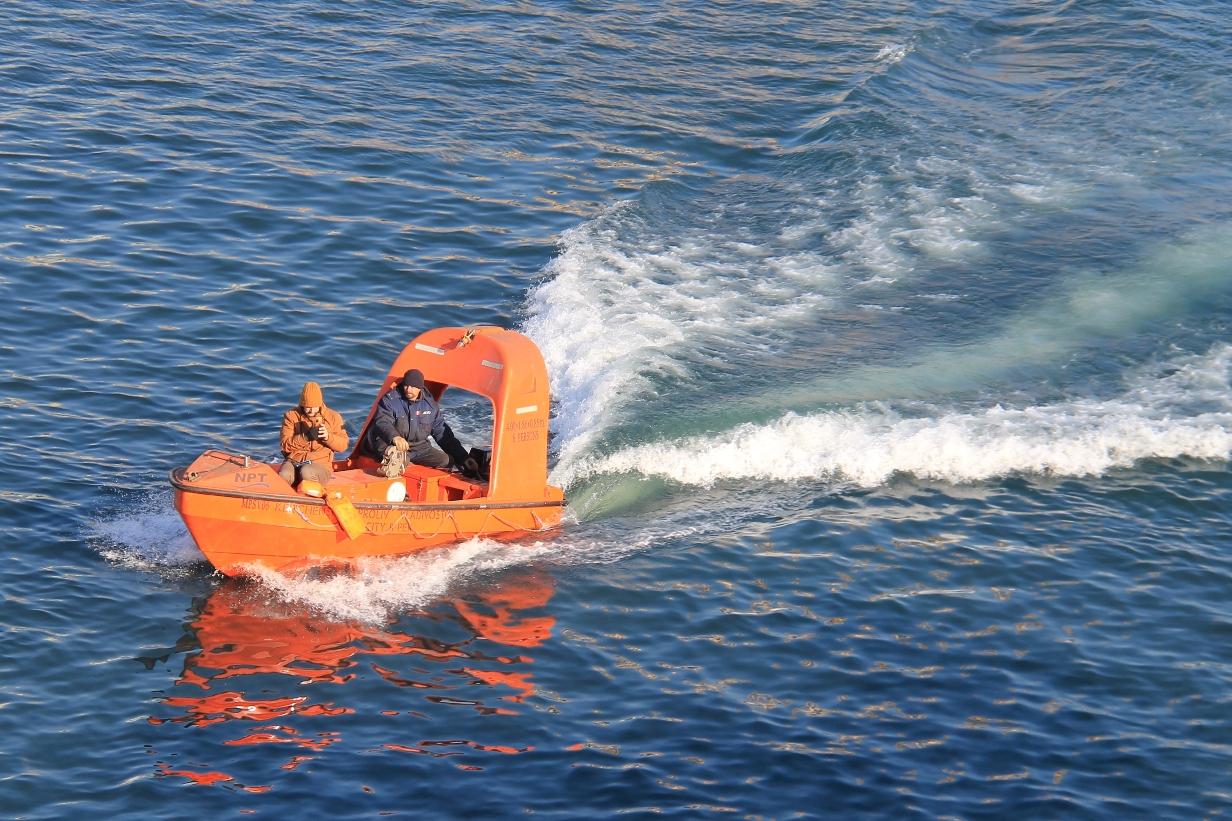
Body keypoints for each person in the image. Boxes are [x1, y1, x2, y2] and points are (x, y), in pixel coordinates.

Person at [364, 368, 476, 478]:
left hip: (419, 448)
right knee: (398, 462)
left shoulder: (430, 405)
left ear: (420, 388)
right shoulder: (390, 400)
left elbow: (443, 435)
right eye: (406, 385)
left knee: (446, 461)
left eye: (413, 387)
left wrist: (464, 458)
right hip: (392, 444)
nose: (408, 389)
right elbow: (382, 422)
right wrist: (395, 437)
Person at [279, 381, 349, 488]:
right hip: (294, 461)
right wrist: (305, 437)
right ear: (302, 404)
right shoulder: (291, 416)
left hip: (320, 464)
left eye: (315, 406)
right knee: (284, 475)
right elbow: (285, 445)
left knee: (307, 472)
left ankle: (310, 497)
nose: (311, 410)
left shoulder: (333, 417)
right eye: (308, 407)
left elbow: (343, 445)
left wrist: (328, 437)